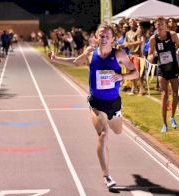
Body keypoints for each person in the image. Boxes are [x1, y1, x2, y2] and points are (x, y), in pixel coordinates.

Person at [48, 23, 139, 188]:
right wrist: (56, 59)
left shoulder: (119, 54)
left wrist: (122, 76)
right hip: (96, 102)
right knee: (103, 135)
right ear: (97, 37)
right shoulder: (90, 53)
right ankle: (107, 175)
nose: (103, 39)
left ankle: (117, 115)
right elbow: (75, 62)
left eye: (107, 36)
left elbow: (136, 73)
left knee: (117, 131)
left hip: (114, 102)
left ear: (113, 39)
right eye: (101, 35)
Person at [148, 17, 179, 132]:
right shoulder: (153, 39)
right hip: (162, 69)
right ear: (155, 26)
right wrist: (150, 58)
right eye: (158, 24)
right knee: (164, 95)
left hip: (173, 67)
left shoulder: (172, 35)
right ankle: (164, 124)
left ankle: (172, 116)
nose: (159, 26)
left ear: (166, 25)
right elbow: (150, 54)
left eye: (162, 24)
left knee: (175, 95)